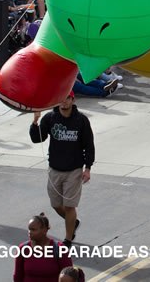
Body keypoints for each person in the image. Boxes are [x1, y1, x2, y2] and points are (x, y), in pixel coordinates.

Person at [31, 92, 94, 246]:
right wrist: (35, 121)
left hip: (74, 170)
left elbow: (89, 144)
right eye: (61, 99)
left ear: (73, 100)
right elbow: (37, 138)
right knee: (55, 204)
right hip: (55, 169)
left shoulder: (81, 120)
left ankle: (68, 239)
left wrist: (88, 168)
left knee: (69, 205)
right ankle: (72, 222)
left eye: (67, 99)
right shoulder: (50, 118)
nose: (64, 102)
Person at [13, 213, 73, 281]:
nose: (29, 232)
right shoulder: (23, 249)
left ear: (44, 230)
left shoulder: (60, 249)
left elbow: (69, 277)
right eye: (29, 229)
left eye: (33, 229)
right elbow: (17, 276)